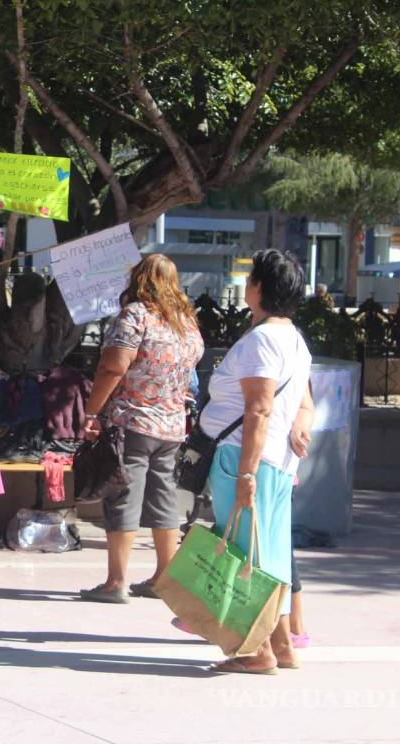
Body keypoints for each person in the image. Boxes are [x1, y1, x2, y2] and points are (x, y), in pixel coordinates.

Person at [198, 249, 314, 673]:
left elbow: (259, 410)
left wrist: (246, 471)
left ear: (259, 288)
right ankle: (281, 645)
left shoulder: (263, 340)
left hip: (246, 459)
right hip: (277, 463)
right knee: (271, 552)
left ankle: (255, 650)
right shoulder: (294, 340)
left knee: (247, 553)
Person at [79, 254, 204, 603]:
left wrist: (92, 413)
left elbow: (112, 368)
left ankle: (116, 582)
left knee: (123, 497)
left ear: (139, 279)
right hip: (171, 427)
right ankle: (164, 577)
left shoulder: (136, 315)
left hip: (132, 422)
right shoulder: (186, 322)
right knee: (164, 498)